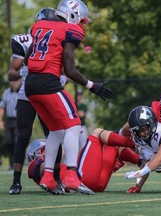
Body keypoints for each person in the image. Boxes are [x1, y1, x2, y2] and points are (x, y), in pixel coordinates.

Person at [25, 0, 112, 194]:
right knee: (73, 125)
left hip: (30, 84)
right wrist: (92, 86)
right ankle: (72, 176)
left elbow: (27, 58)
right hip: (48, 83)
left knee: (56, 130)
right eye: (81, 20)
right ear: (72, 15)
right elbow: (71, 70)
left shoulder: (39, 26)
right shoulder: (68, 31)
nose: (82, 25)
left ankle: (48, 177)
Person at [7, 7, 61, 195]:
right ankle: (15, 181)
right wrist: (24, 71)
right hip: (27, 93)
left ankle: (57, 179)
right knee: (23, 135)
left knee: (54, 134)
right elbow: (11, 74)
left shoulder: (59, 38)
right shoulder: (24, 40)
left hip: (48, 90)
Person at [27, 129, 139, 194]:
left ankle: (142, 160)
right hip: (82, 179)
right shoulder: (36, 166)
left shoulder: (56, 167)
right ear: (39, 153)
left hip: (95, 185)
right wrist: (66, 135)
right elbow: (42, 167)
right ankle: (135, 143)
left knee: (113, 145)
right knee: (97, 132)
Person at [0, 79, 21, 170]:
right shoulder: (6, 92)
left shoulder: (22, 92)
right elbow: (2, 107)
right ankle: (12, 160)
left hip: (19, 120)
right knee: (7, 142)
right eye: (13, 80)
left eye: (16, 80)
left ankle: (15, 163)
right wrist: (0, 120)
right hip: (9, 120)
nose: (14, 82)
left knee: (17, 142)